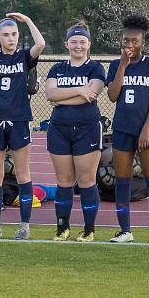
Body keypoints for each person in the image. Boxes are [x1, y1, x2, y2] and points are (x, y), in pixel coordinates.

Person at [0, 13, 46, 240]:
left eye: (14, 34)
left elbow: (40, 44)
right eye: (5, 35)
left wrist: (28, 20)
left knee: (23, 174)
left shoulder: (24, 57)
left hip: (19, 119)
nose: (11, 38)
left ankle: (24, 226)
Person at [106, 14, 149, 244]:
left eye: (135, 41)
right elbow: (112, 96)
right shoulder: (115, 65)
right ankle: (125, 231)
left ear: (143, 42)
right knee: (122, 180)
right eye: (126, 41)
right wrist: (122, 64)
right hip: (122, 128)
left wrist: (146, 129)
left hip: (146, 130)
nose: (130, 45)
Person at [45, 22, 106, 242]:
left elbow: (92, 94)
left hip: (87, 128)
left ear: (89, 44)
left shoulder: (96, 68)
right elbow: (50, 94)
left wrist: (64, 97)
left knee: (87, 180)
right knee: (64, 181)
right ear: (66, 44)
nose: (78, 46)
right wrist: (79, 90)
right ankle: (62, 228)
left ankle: (88, 230)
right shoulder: (57, 68)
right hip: (59, 129)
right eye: (74, 42)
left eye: (82, 42)